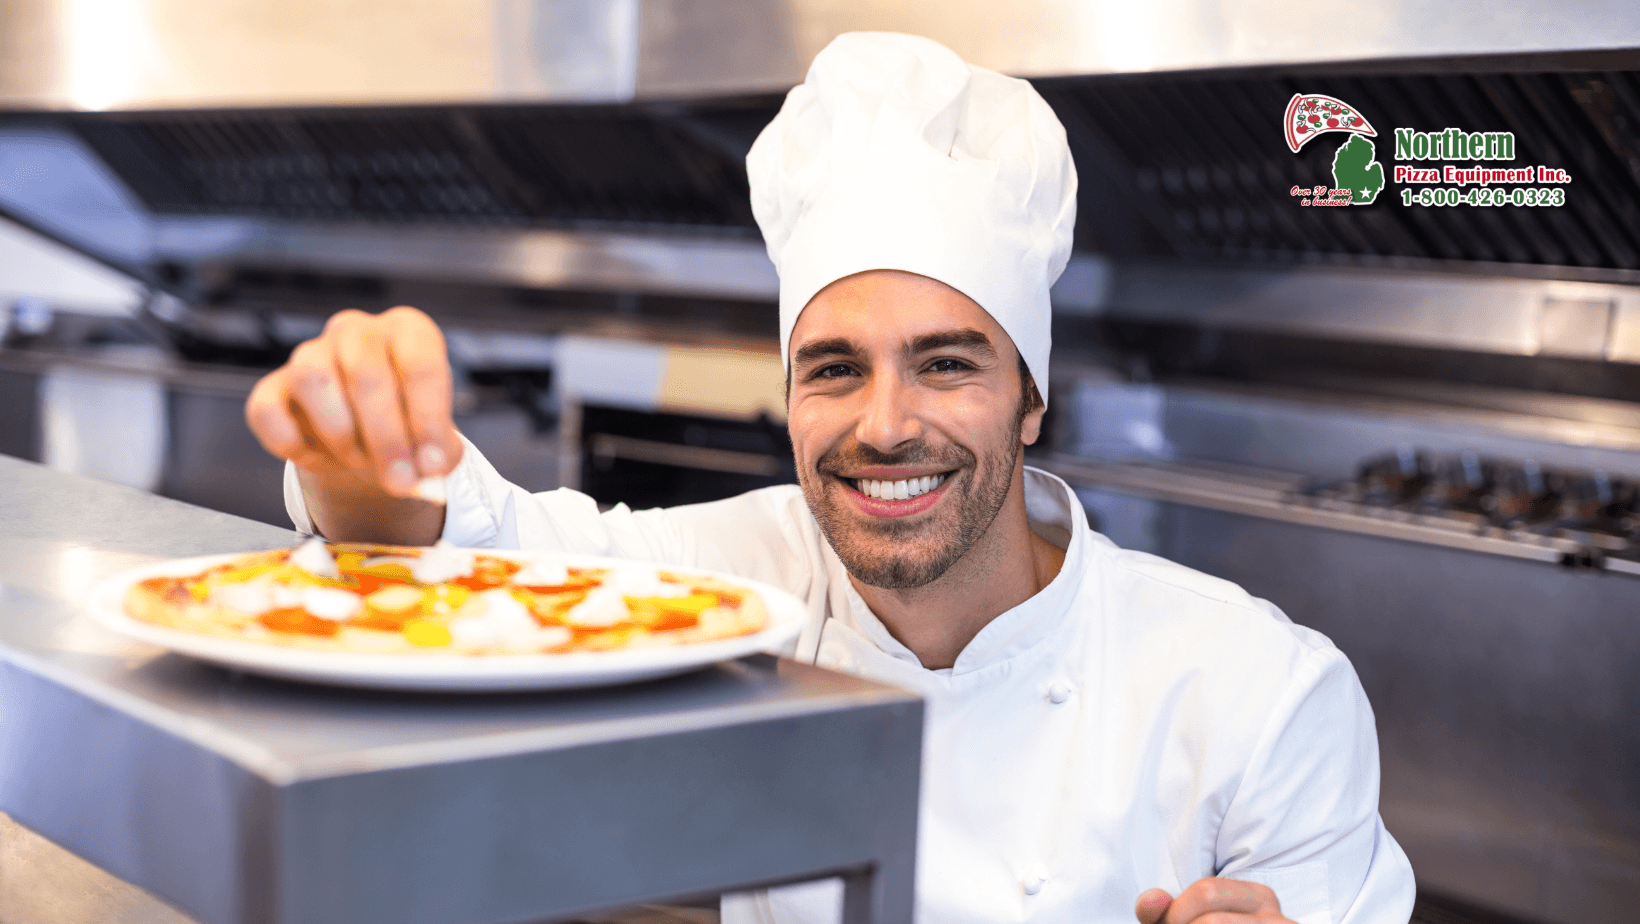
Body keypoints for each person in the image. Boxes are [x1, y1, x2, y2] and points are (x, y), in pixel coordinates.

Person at [246, 32, 1415, 924]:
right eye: (834, 369)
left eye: (945, 364)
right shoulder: (737, 592)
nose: (884, 425)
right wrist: (365, 456)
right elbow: (466, 557)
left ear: (1030, 399)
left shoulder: (1259, 696)